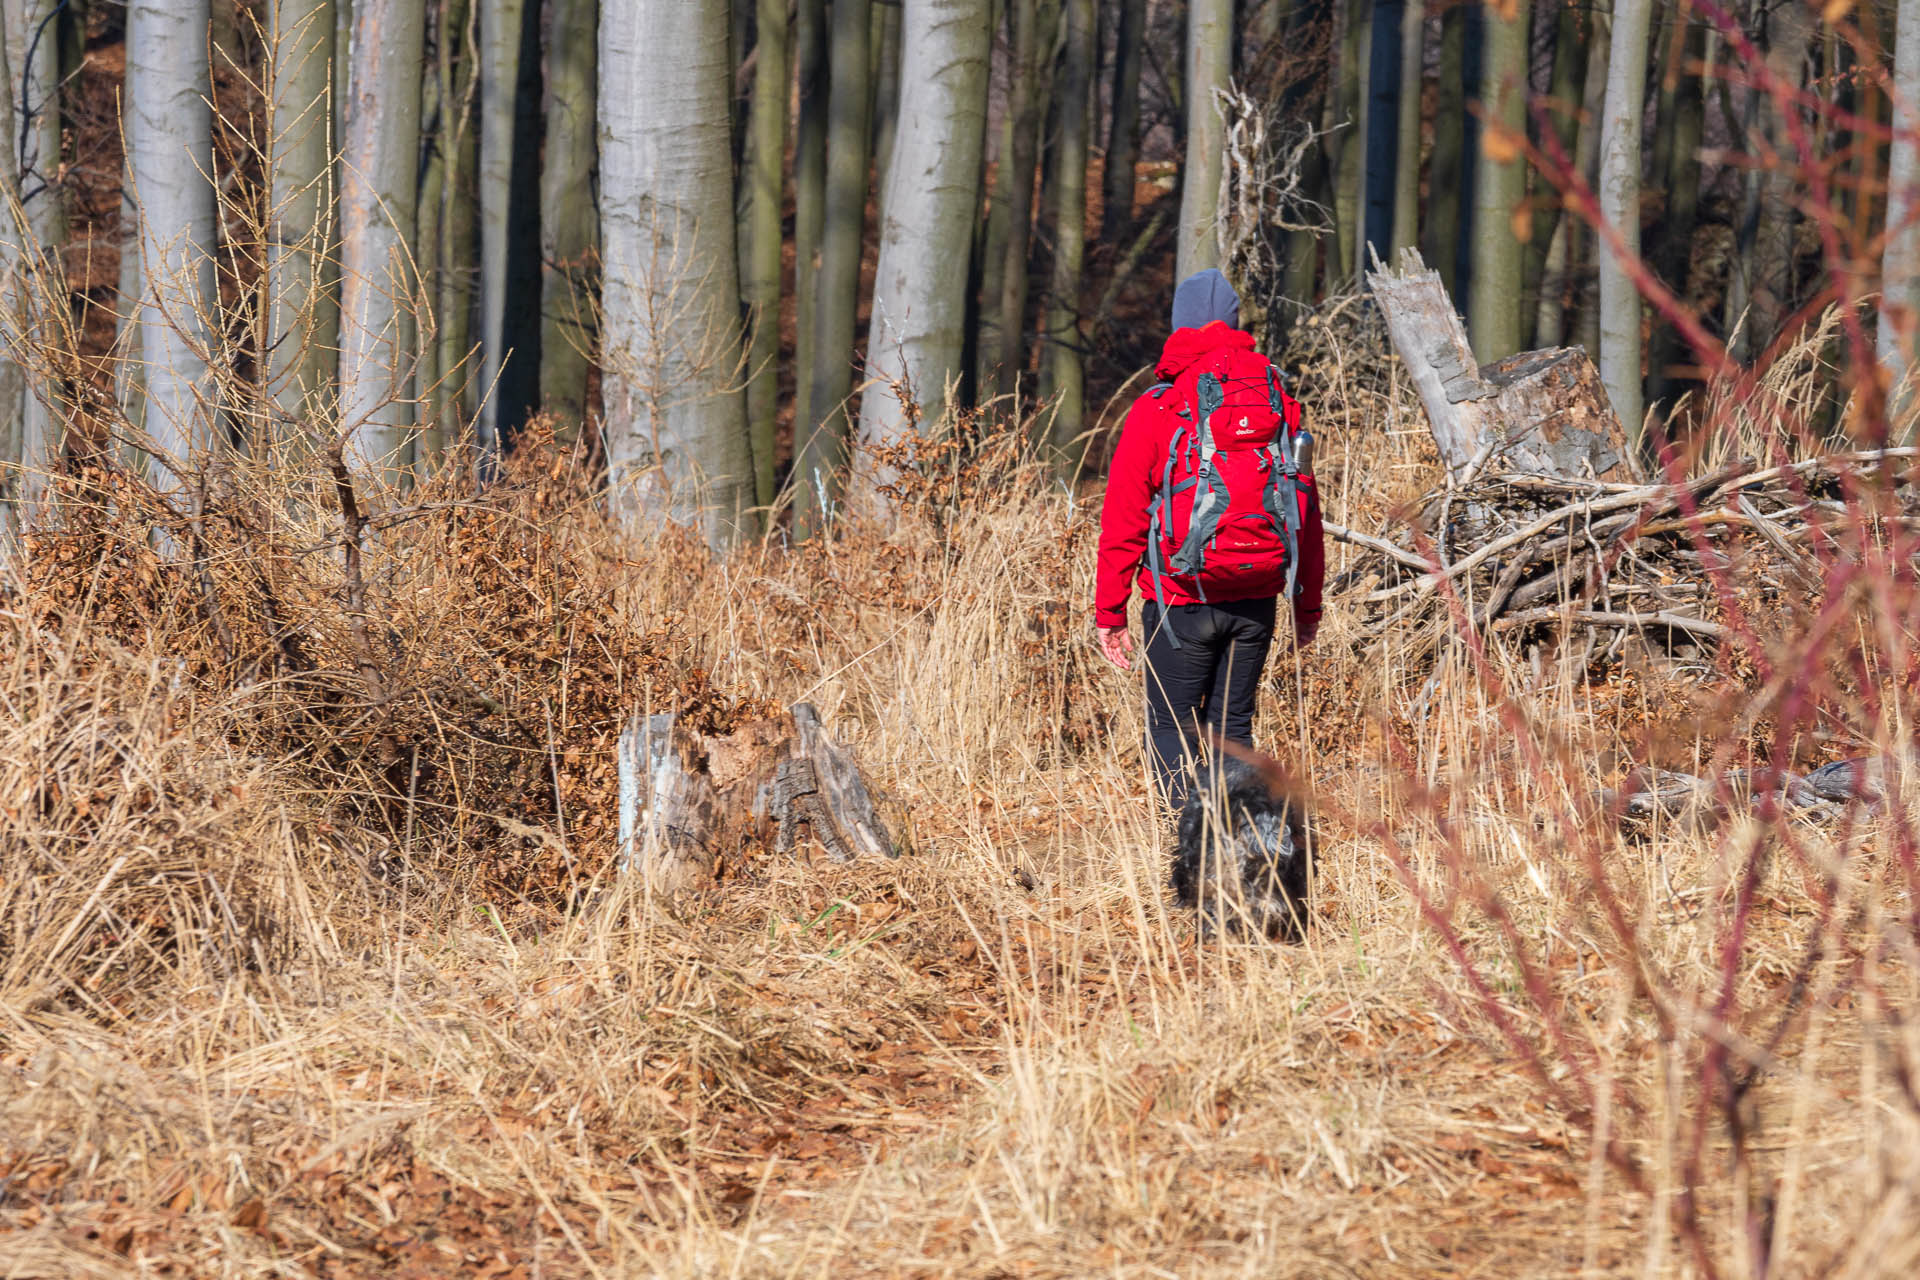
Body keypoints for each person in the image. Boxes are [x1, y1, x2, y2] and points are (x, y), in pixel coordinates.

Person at [1093, 269, 1325, 810]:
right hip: (1258, 595)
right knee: (1232, 729)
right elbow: (1305, 511)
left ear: (1179, 327)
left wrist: (1111, 612)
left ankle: (1189, 852)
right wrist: (1306, 603)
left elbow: (1123, 515)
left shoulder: (1160, 404)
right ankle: (1240, 852)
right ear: (1236, 325)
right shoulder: (1277, 399)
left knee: (1172, 727)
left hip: (1180, 599)